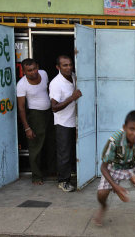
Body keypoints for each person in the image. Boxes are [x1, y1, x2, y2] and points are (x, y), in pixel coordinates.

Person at [94, 110, 135, 237]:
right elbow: (103, 167)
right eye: (131, 129)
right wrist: (116, 187)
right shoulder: (114, 140)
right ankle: (103, 206)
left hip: (134, 167)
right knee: (101, 194)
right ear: (124, 128)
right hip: (114, 167)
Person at [17, 58, 56, 185]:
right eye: (29, 70)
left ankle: (52, 170)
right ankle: (36, 176)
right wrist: (27, 128)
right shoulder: (22, 85)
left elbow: (49, 90)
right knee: (36, 146)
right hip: (35, 115)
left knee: (51, 142)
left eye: (34, 69)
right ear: (23, 71)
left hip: (49, 113)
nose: (33, 72)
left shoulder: (44, 74)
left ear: (37, 66)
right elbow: (21, 107)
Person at [49, 55, 82, 192]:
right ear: (58, 67)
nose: (69, 68)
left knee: (74, 151)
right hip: (63, 123)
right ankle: (63, 181)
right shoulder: (56, 83)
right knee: (64, 153)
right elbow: (54, 108)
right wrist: (71, 98)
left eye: (70, 64)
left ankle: (71, 174)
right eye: (65, 65)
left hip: (75, 121)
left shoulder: (73, 76)